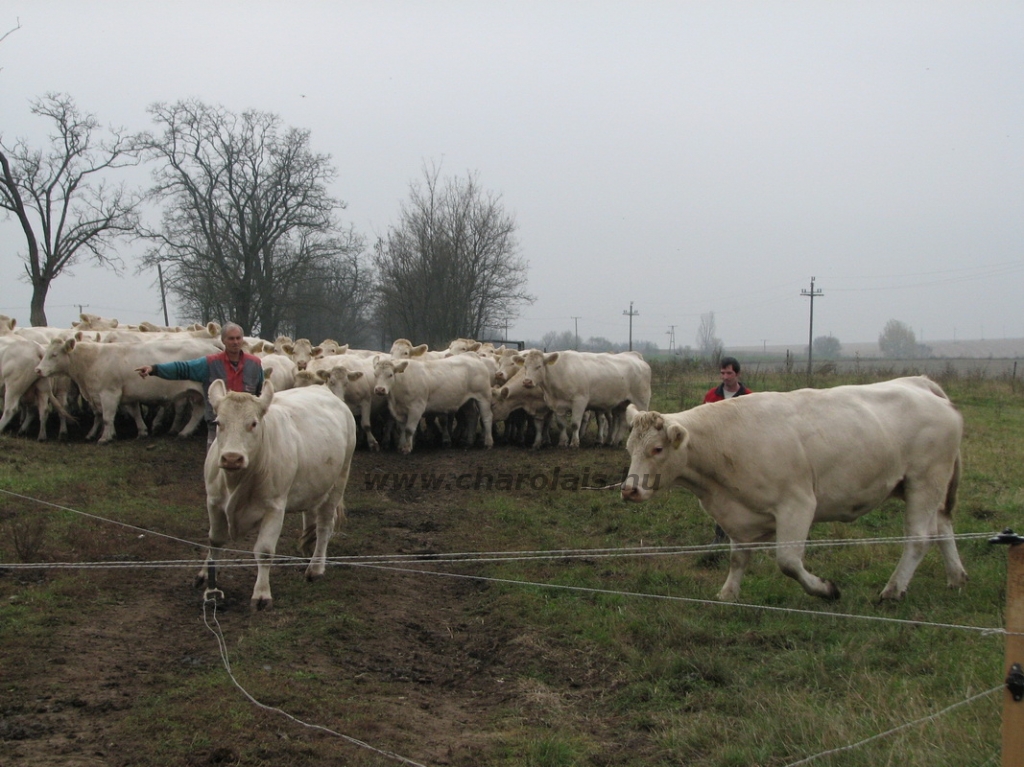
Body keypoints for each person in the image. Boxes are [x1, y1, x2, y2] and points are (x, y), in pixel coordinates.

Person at [136, 322, 263, 446]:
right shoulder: (210, 363)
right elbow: (183, 368)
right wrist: (154, 369)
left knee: (246, 463)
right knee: (215, 463)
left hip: (246, 428)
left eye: (238, 338)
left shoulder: (255, 364)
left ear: (242, 340)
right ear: (223, 340)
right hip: (218, 426)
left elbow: (259, 394)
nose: (235, 342)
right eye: (231, 339)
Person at [703, 356, 753, 544]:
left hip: (741, 454)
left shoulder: (748, 397)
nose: (725, 377)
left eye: (729, 373)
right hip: (716, 453)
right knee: (719, 493)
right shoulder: (711, 396)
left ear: (738, 374)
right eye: (722, 373)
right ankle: (721, 534)